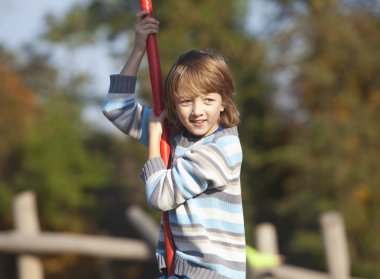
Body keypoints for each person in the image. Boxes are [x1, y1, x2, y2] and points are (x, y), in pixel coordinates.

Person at [103, 10, 246, 279]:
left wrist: (155, 141)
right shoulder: (176, 135)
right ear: (173, 105)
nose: (197, 111)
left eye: (208, 100)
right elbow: (115, 108)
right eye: (185, 101)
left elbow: (161, 196)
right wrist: (138, 50)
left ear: (224, 101)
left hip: (210, 275)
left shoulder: (222, 150)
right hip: (178, 270)